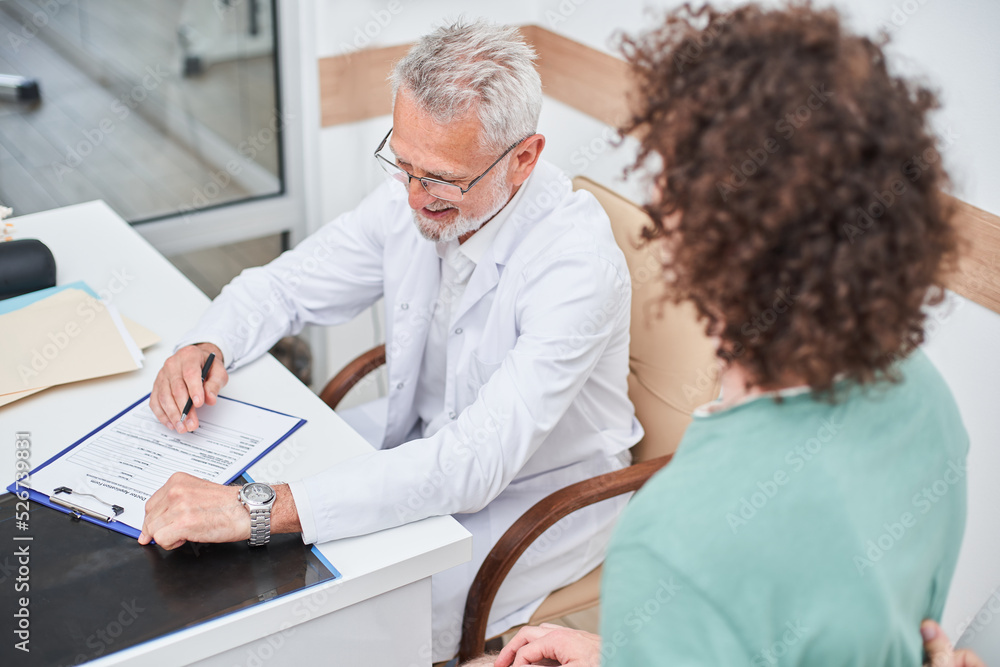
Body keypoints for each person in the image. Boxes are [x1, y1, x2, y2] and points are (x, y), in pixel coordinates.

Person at [483, 3, 970, 666]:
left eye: (670, 176)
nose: (655, 198)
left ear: (707, 239)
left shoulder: (680, 535)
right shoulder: (926, 403)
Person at [140, 19, 641, 662]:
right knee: (237, 556)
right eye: (403, 164)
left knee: (335, 618)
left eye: (440, 178)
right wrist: (203, 344)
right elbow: (284, 287)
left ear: (524, 158)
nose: (412, 196)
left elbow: (472, 463)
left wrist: (260, 509)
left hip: (538, 501)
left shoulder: (575, 267)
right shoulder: (418, 191)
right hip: (421, 441)